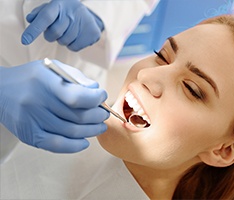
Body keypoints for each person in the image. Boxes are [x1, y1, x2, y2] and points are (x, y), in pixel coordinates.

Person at [1, 15, 234, 199]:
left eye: (192, 89)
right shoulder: (58, 106)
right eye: (162, 56)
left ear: (223, 150)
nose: (146, 75)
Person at [0, 0, 159, 158]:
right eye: (163, 57)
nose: (145, 74)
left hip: (80, 65)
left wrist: (100, 11)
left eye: (186, 86)